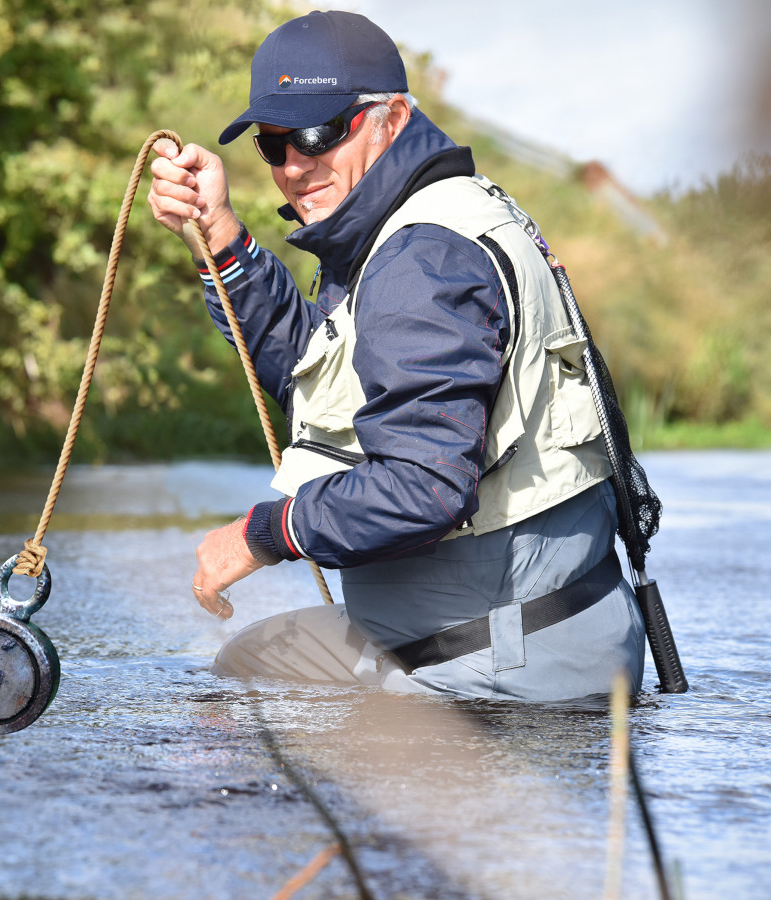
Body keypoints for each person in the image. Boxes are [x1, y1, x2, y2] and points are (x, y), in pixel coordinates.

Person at [146, 9, 646, 701]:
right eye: (274, 142)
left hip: (505, 670)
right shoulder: (400, 224)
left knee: (220, 794)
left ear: (393, 117)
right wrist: (222, 238)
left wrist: (261, 534)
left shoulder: (423, 258)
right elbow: (316, 378)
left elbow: (422, 487)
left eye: (320, 131)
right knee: (246, 667)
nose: (294, 164)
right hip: (457, 633)